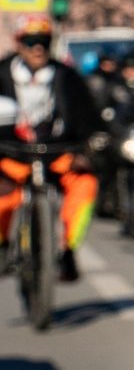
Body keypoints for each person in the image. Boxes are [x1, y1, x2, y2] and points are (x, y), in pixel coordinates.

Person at [1, 21, 104, 283]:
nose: (38, 49)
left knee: (85, 185)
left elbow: (87, 116)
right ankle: (2, 246)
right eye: (31, 42)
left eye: (44, 43)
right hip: (12, 155)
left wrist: (92, 141)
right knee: (4, 198)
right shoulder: (1, 74)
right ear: (19, 44)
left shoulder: (67, 76)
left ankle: (67, 250)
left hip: (57, 153)